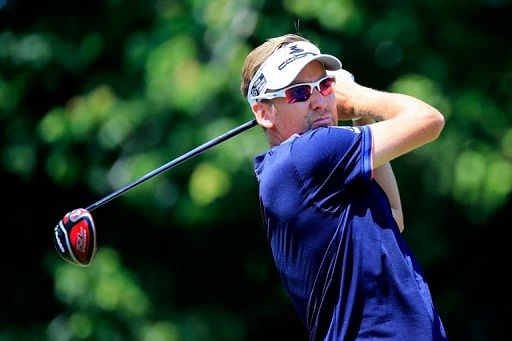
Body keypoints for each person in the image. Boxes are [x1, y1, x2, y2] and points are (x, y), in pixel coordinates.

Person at [240, 34, 447, 340]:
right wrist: (357, 96)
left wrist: (359, 117)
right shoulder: (309, 153)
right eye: (299, 92)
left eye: (324, 86)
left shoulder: (310, 171)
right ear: (263, 113)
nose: (319, 100)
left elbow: (394, 216)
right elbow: (429, 119)